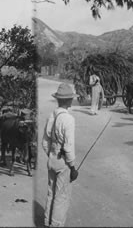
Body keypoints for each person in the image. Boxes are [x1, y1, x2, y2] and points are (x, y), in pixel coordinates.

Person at [42, 83, 79, 227]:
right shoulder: (68, 119)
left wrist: (52, 154)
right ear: (69, 101)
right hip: (63, 162)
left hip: (52, 158)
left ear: (58, 100)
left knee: (51, 193)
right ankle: (56, 224)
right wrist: (73, 166)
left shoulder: (51, 116)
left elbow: (45, 142)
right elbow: (69, 148)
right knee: (61, 196)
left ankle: (47, 221)